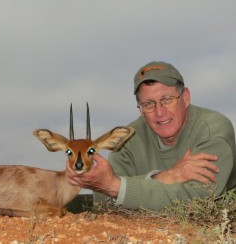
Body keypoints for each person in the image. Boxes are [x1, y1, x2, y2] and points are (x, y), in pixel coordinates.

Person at [66, 61, 236, 210]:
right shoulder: (129, 138)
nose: (159, 112)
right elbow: (104, 203)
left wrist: (118, 187)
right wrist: (165, 176)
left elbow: (197, 199)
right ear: (140, 109)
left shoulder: (213, 130)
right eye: (148, 104)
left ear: (185, 97)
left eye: (167, 99)